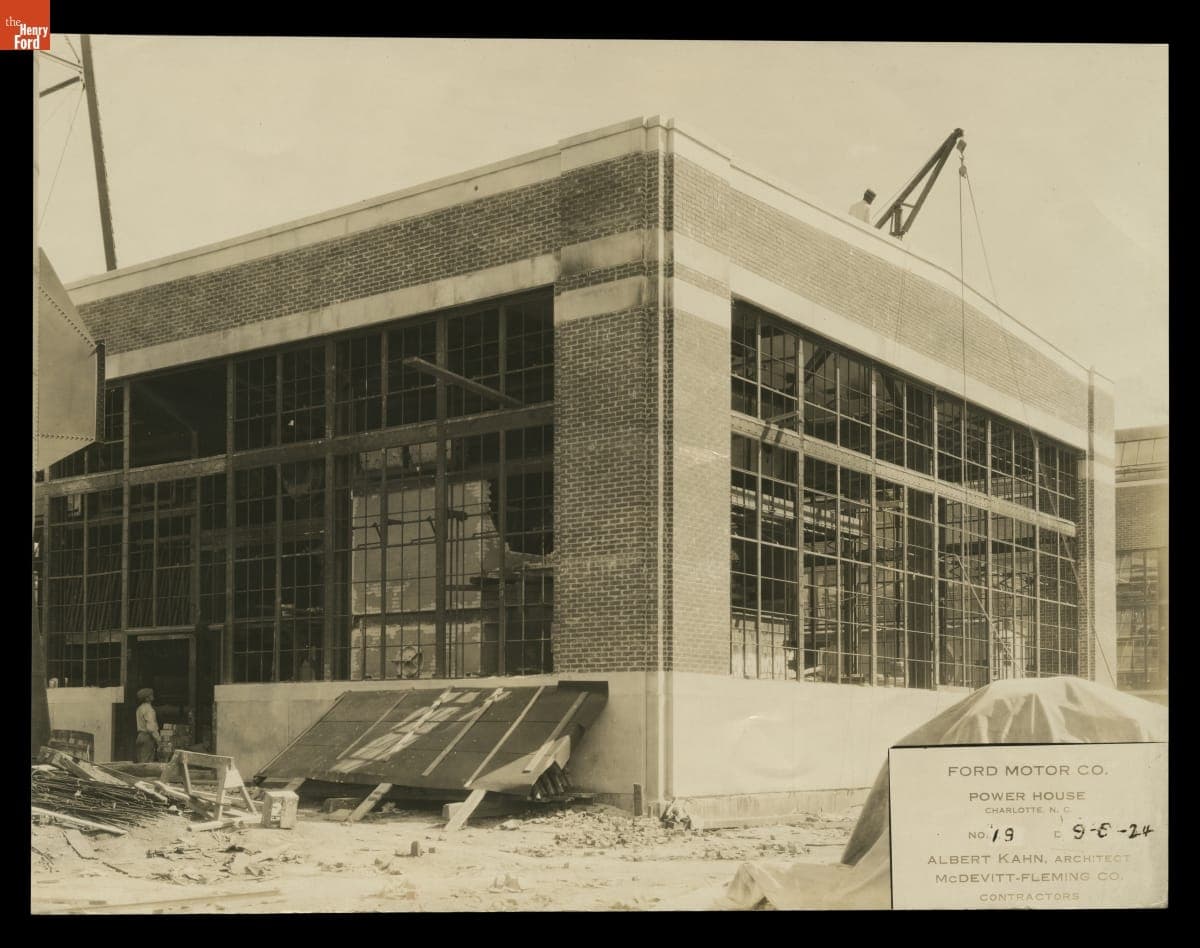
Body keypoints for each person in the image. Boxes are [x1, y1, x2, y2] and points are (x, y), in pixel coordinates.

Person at [135, 687, 161, 763]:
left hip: (140, 736)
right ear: (147, 698)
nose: (152, 696)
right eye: (150, 695)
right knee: (146, 763)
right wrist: (158, 740)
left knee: (141, 761)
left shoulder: (139, 708)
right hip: (147, 738)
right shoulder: (149, 709)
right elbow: (151, 727)